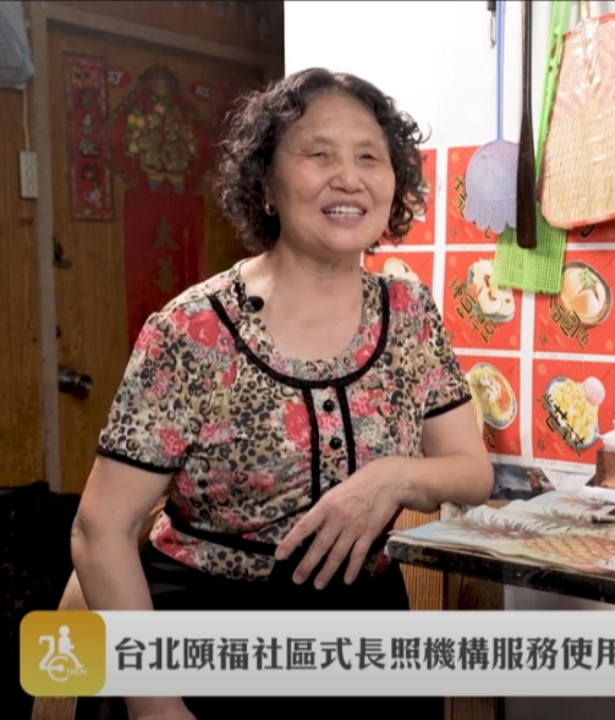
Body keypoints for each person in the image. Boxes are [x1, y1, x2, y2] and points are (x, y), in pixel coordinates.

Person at [70, 67, 494, 720]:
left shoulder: (408, 312)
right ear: (266, 183)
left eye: (369, 157)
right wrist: (156, 706)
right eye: (318, 154)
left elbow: (472, 472)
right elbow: (100, 529)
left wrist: (395, 477)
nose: (348, 178)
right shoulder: (193, 330)